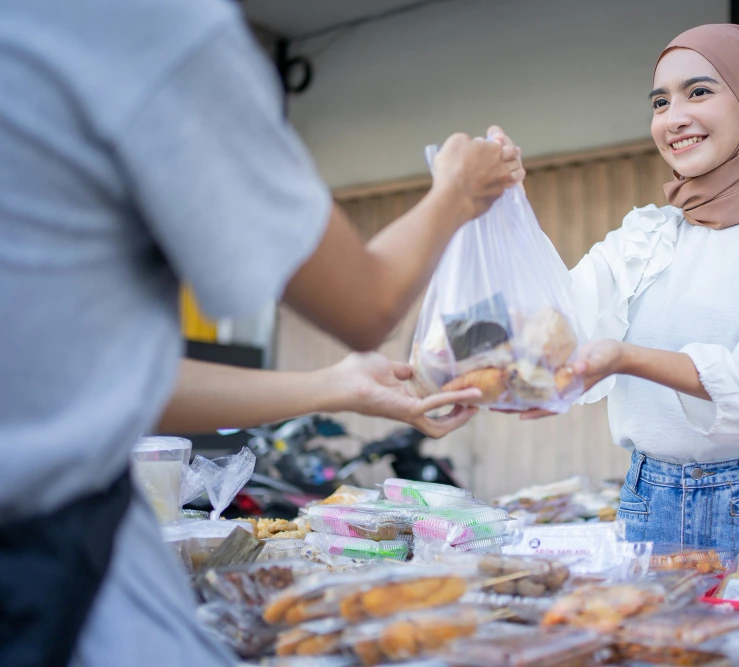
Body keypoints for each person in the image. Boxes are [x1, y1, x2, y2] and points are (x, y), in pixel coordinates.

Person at [0, 0, 523, 665]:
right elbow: (366, 302)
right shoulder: (141, 21)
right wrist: (457, 190)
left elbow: (95, 381)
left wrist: (334, 384)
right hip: (52, 570)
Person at [513, 24, 739, 561]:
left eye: (699, 91)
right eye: (660, 101)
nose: (673, 117)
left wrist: (624, 358)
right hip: (647, 499)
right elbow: (554, 322)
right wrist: (504, 206)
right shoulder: (648, 234)